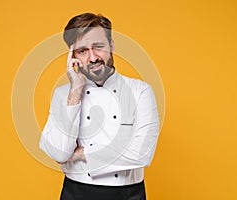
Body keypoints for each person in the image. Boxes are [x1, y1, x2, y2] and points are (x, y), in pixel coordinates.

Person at [39, 13, 160, 200]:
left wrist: (82, 153)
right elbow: (59, 152)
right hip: (75, 193)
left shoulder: (140, 91)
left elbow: (141, 154)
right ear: (72, 56)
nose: (93, 57)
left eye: (98, 47)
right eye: (82, 51)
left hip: (128, 194)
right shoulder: (64, 94)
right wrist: (76, 91)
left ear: (111, 46)